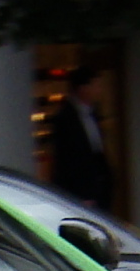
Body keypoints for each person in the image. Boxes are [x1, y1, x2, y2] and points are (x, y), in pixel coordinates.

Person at [48, 67, 114, 209]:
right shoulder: (66, 118)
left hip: (99, 187)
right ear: (83, 88)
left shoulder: (93, 114)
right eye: (96, 86)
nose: (99, 91)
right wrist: (82, 194)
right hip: (79, 191)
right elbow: (67, 159)